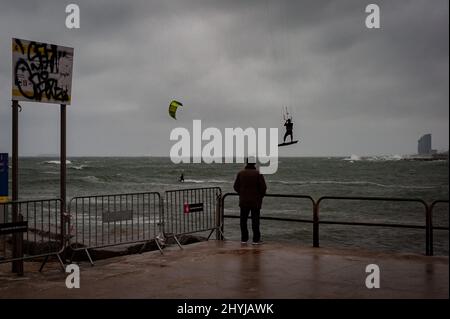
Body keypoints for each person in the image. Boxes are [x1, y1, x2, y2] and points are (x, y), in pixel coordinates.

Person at [233, 156, 267, 245]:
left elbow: (235, 187)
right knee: (255, 221)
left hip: (243, 201)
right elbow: (263, 188)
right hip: (255, 201)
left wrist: (242, 193)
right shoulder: (258, 173)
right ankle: (256, 240)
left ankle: (244, 239)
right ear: (254, 163)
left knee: (243, 221)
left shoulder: (241, 173)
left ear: (246, 162)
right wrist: (260, 197)